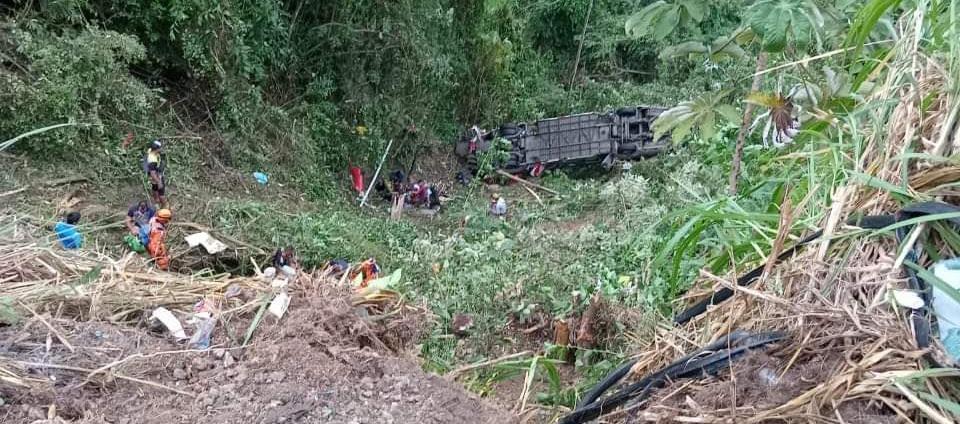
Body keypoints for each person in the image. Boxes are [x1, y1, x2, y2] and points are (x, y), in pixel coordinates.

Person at [144, 140, 166, 207]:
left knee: (154, 188)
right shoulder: (153, 160)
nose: (161, 149)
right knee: (161, 193)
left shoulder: (150, 150)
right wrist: (159, 182)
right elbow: (153, 173)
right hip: (157, 176)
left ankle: (156, 201)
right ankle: (164, 206)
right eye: (160, 148)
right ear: (157, 149)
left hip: (152, 176)